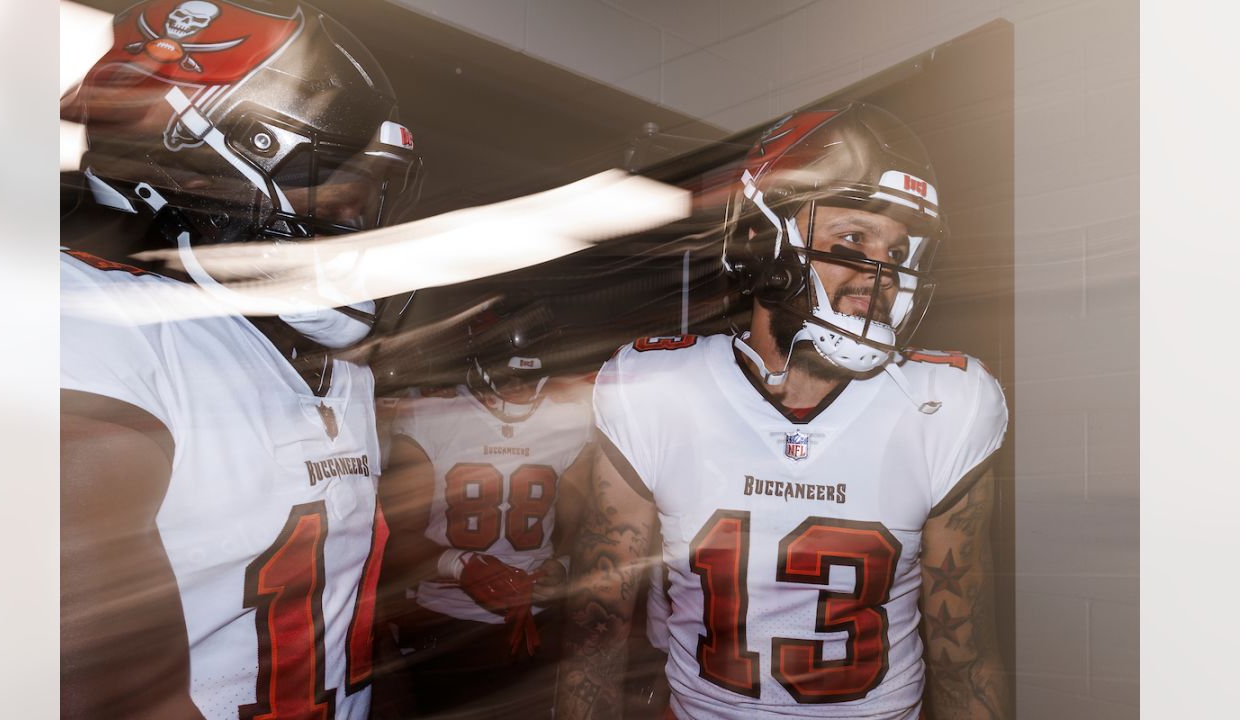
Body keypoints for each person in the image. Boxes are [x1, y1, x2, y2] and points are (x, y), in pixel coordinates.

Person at [556, 103, 1009, 719]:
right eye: (853, 238)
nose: (885, 275)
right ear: (761, 238)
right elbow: (594, 641)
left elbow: (965, 655)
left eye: (899, 249)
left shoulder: (942, 403)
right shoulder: (660, 389)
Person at [60, 2, 421, 718]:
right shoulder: (86, 329)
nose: (354, 223)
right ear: (193, 167)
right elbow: (109, 699)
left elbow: (342, 626)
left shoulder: (333, 362)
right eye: (332, 186)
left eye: (365, 198)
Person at [378, 302, 593, 718]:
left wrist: (564, 565)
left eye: (531, 375)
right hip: (445, 625)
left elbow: (582, 523)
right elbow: (392, 538)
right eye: (510, 374)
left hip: (536, 622)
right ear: (478, 361)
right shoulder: (431, 414)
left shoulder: (570, 416)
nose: (522, 388)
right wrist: (460, 565)